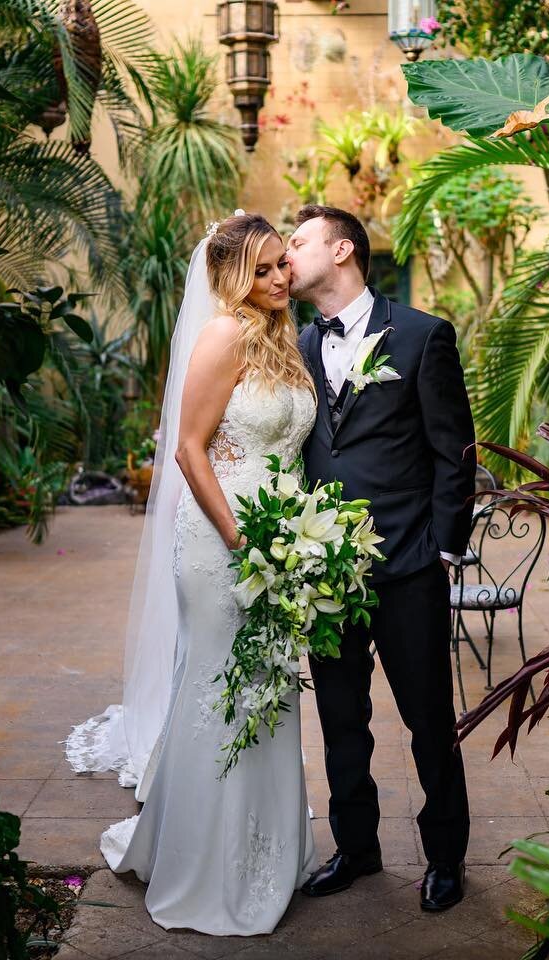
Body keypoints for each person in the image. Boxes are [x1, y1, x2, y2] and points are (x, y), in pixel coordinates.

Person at [65, 213, 318, 935]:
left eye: (281, 266)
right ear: (232, 275)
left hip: (281, 539)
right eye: (262, 270)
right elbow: (188, 451)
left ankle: (262, 850)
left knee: (269, 691)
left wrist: (297, 541)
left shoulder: (281, 340)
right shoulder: (223, 335)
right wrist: (244, 541)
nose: (277, 279)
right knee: (221, 691)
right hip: (222, 543)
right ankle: (204, 866)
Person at [285, 204, 477, 912]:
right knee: (340, 719)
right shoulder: (299, 347)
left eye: (299, 242)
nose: (287, 253)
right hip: (325, 571)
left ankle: (447, 857)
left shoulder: (423, 336)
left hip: (407, 566)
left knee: (429, 720)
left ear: (342, 251)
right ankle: (357, 850)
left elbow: (454, 447)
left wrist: (445, 546)